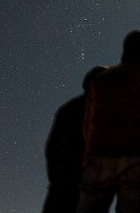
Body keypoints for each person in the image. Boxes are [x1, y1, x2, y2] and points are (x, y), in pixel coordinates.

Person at [77, 30, 140, 213]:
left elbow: (89, 122)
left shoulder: (101, 78)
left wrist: (91, 154)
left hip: (99, 157)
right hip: (137, 158)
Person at [42, 66, 106, 213]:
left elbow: (51, 148)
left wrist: (56, 177)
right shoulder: (104, 113)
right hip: (81, 185)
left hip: (64, 183)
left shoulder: (68, 108)